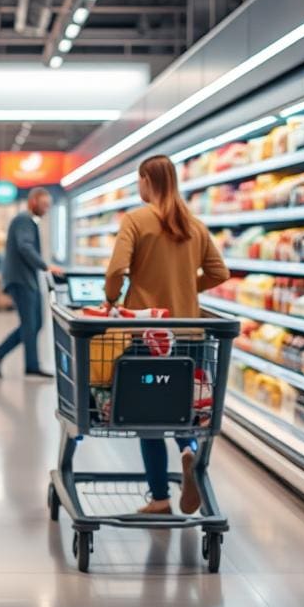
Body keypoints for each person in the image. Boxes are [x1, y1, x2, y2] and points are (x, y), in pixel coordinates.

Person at [105, 154, 230, 515]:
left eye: (138, 180)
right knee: (182, 406)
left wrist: (112, 299)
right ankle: (188, 448)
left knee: (148, 412)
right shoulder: (193, 223)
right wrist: (187, 288)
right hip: (190, 333)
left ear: (147, 180)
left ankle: (159, 497)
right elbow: (220, 273)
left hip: (147, 333)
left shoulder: (136, 219)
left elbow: (116, 269)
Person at [0, 187, 62, 379]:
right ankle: (30, 365)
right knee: (31, 324)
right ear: (34, 201)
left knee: (35, 324)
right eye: (44, 205)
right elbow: (25, 246)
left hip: (25, 279)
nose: (46, 210)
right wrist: (46, 266)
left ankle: (0, 354)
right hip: (21, 280)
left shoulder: (27, 221)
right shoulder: (24, 220)